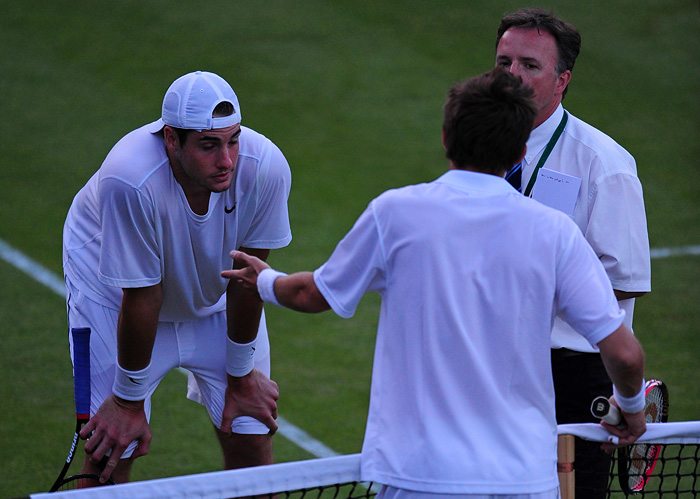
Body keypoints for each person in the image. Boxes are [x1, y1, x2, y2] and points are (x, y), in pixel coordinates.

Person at [222, 68, 647, 499]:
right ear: (520, 152)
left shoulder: (395, 214)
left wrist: (265, 280)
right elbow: (625, 355)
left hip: (417, 478)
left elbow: (310, 294)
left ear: (446, 137)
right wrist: (630, 407)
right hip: (524, 481)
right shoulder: (556, 233)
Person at [62, 70, 291, 484]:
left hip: (217, 298)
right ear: (171, 139)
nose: (227, 161)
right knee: (113, 449)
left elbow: (247, 278)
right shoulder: (129, 179)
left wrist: (241, 377)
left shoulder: (267, 167)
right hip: (113, 296)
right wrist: (128, 401)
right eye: (208, 145)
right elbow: (143, 295)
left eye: (233, 140)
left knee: (251, 434)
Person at [494, 8, 652, 496]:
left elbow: (623, 279)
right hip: (496, 361)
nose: (512, 76)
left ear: (562, 79)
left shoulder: (603, 164)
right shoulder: (484, 146)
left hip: (572, 375)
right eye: (503, 63)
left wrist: (530, 284)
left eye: (529, 65)